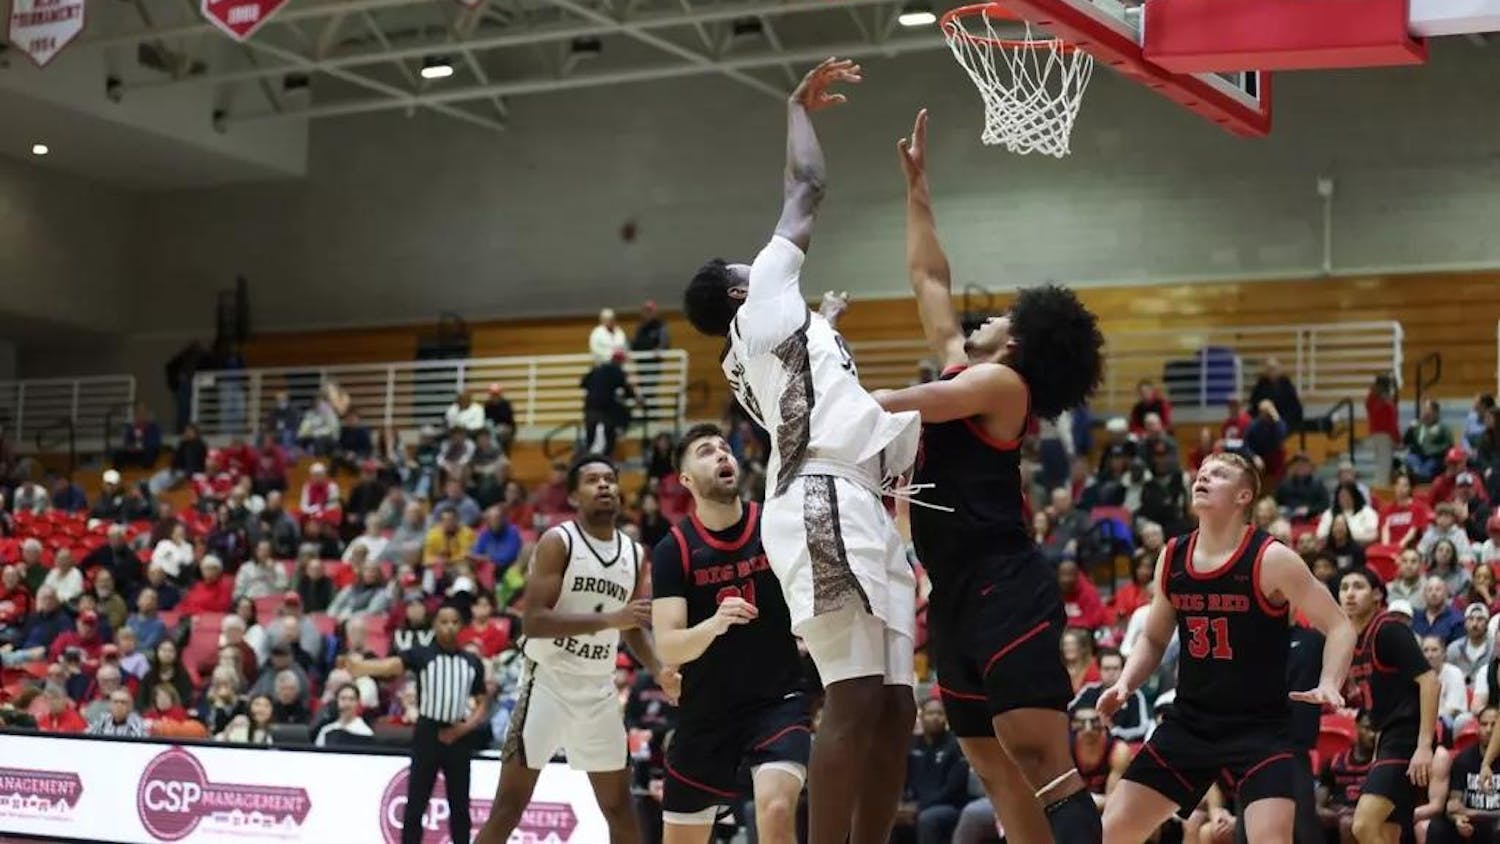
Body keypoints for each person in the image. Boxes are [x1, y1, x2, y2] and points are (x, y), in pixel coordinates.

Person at [681, 58, 920, 844]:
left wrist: (827, 320)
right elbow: (807, 189)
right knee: (853, 699)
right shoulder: (761, 305)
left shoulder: (772, 334)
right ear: (740, 291)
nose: (768, 257)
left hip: (854, 495)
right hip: (821, 499)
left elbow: (815, 381)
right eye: (753, 265)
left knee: (895, 704)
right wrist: (795, 108)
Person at [871, 108, 1107, 843]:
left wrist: (848, 404)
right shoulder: (970, 368)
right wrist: (917, 189)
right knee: (987, 756)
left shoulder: (1004, 389)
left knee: (1038, 755)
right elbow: (928, 277)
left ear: (1023, 341)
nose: (988, 315)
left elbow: (917, 403)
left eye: (1005, 315)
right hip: (953, 593)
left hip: (1005, 582)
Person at [1098, 452, 1356, 844]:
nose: (1202, 478)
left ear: (1243, 496)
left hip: (1260, 728)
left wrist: (1330, 680)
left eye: (1217, 475)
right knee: (1109, 833)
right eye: (1201, 473)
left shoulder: (1271, 558)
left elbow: (1339, 626)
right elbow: (1153, 637)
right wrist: (1127, 683)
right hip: (1191, 723)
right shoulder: (1172, 556)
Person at [475, 454, 675, 844]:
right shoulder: (558, 542)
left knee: (621, 811)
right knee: (509, 808)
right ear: (572, 497)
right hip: (547, 685)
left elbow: (631, 625)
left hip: (598, 693)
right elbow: (533, 622)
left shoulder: (634, 554)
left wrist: (657, 667)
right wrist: (609, 621)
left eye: (609, 479)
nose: (604, 485)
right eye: (592, 480)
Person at [651, 424, 809, 844]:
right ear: (684, 479)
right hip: (707, 714)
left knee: (775, 809)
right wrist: (714, 624)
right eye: (706, 452)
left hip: (776, 702)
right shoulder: (674, 550)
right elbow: (667, 644)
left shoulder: (772, 523)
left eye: (725, 449)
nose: (722, 455)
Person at [349, 604, 490, 844]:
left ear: (461, 627)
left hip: (459, 735)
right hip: (428, 733)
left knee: (459, 806)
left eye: (454, 622)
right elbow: (392, 666)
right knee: (416, 802)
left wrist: (463, 729)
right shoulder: (422, 654)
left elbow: (482, 702)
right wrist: (362, 667)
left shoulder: (472, 662)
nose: (449, 627)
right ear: (435, 625)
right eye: (444, 622)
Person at [1338, 567, 1439, 844]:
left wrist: (1423, 746)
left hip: (1407, 737)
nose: (1349, 593)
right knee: (1387, 833)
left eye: (1358, 586)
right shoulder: (1351, 640)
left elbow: (1430, 682)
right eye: (1344, 587)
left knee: (1362, 825)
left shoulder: (1390, 630)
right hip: (1387, 739)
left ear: (1377, 595)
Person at [1458, 707, 1500, 842]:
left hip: (1496, 823)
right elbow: (1453, 804)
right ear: (1477, 727)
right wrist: (1457, 819)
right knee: (1438, 827)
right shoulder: (1463, 759)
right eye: (1484, 724)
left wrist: (1474, 813)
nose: (1489, 729)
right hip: (1473, 823)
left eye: (1494, 725)